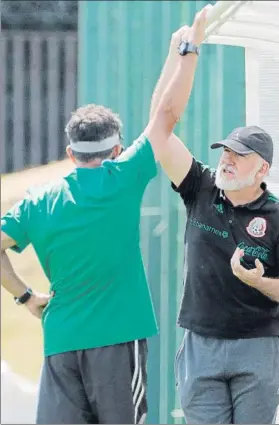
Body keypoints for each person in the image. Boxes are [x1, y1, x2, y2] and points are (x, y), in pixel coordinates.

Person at [0, 5, 210, 424]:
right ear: (115, 150)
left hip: (61, 340)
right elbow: (164, 118)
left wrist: (26, 298)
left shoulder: (39, 200)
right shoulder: (123, 176)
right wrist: (187, 49)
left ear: (69, 153)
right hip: (117, 341)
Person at [149, 13, 279, 425]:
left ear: (262, 171)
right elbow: (159, 132)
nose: (226, 160)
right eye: (225, 151)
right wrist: (183, 54)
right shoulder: (201, 187)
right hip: (200, 346)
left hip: (257, 347)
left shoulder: (276, 214)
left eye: (239, 155)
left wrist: (259, 282)